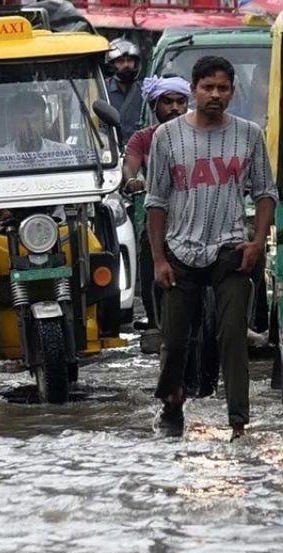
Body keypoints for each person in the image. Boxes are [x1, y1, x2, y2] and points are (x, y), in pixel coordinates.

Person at [146, 55, 277, 440]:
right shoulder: (166, 137)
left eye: (222, 88)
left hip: (230, 251)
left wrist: (257, 242)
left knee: (233, 336)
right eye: (208, 87)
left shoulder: (248, 134)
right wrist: (158, 259)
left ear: (232, 92)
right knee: (174, 340)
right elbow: (156, 202)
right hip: (180, 252)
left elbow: (266, 192)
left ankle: (238, 423)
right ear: (194, 90)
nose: (215, 95)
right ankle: (172, 401)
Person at [122, 75, 190, 332]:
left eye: (180, 101)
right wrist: (132, 181)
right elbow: (130, 166)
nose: (175, 108)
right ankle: (155, 322)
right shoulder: (143, 138)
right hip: (162, 216)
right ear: (154, 107)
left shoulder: (201, 133)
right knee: (149, 256)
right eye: (168, 102)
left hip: (199, 215)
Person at [106, 38, 144, 146]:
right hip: (112, 149)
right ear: (112, 64)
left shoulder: (145, 90)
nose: (126, 65)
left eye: (129, 61)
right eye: (121, 61)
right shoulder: (103, 88)